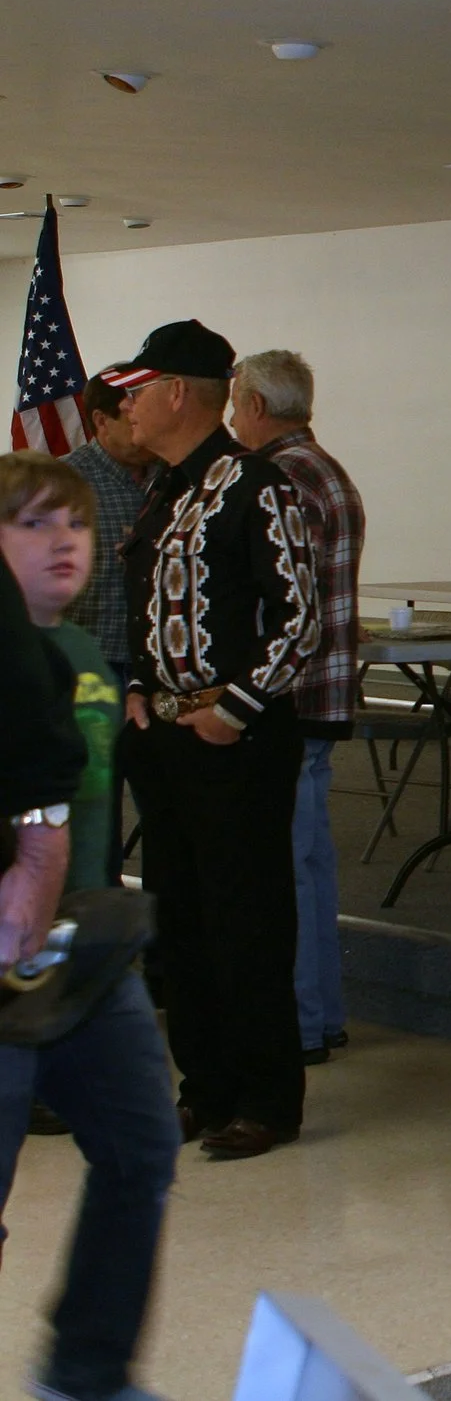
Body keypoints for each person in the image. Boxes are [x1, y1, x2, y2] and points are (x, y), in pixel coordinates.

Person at [104, 320, 321, 1163]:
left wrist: (235, 708)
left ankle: (266, 1097)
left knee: (246, 918)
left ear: (176, 393)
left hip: (234, 741)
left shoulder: (255, 484)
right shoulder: (163, 489)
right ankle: (206, 1086)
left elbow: (299, 618)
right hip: (166, 737)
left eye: (136, 390)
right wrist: (137, 687)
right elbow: (146, 605)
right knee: (183, 919)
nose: (126, 405)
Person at [0, 452, 183, 1401]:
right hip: (7, 949)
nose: (61, 541)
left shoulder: (85, 658)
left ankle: (87, 1370)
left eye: (73, 522)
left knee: (142, 1146)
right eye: (31, 523)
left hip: (86, 948)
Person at [229, 350, 363, 1070]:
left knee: (285, 872)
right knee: (310, 862)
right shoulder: (326, 468)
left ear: (256, 405)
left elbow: (279, 602)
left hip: (290, 695)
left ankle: (302, 1022)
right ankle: (323, 1014)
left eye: (234, 404)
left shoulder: (280, 477)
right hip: (321, 693)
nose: (230, 419)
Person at [62, 375, 158, 685]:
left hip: (160, 663)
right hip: (91, 663)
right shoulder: (64, 481)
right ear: (102, 421)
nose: (146, 431)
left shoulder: (172, 474)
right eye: (133, 421)